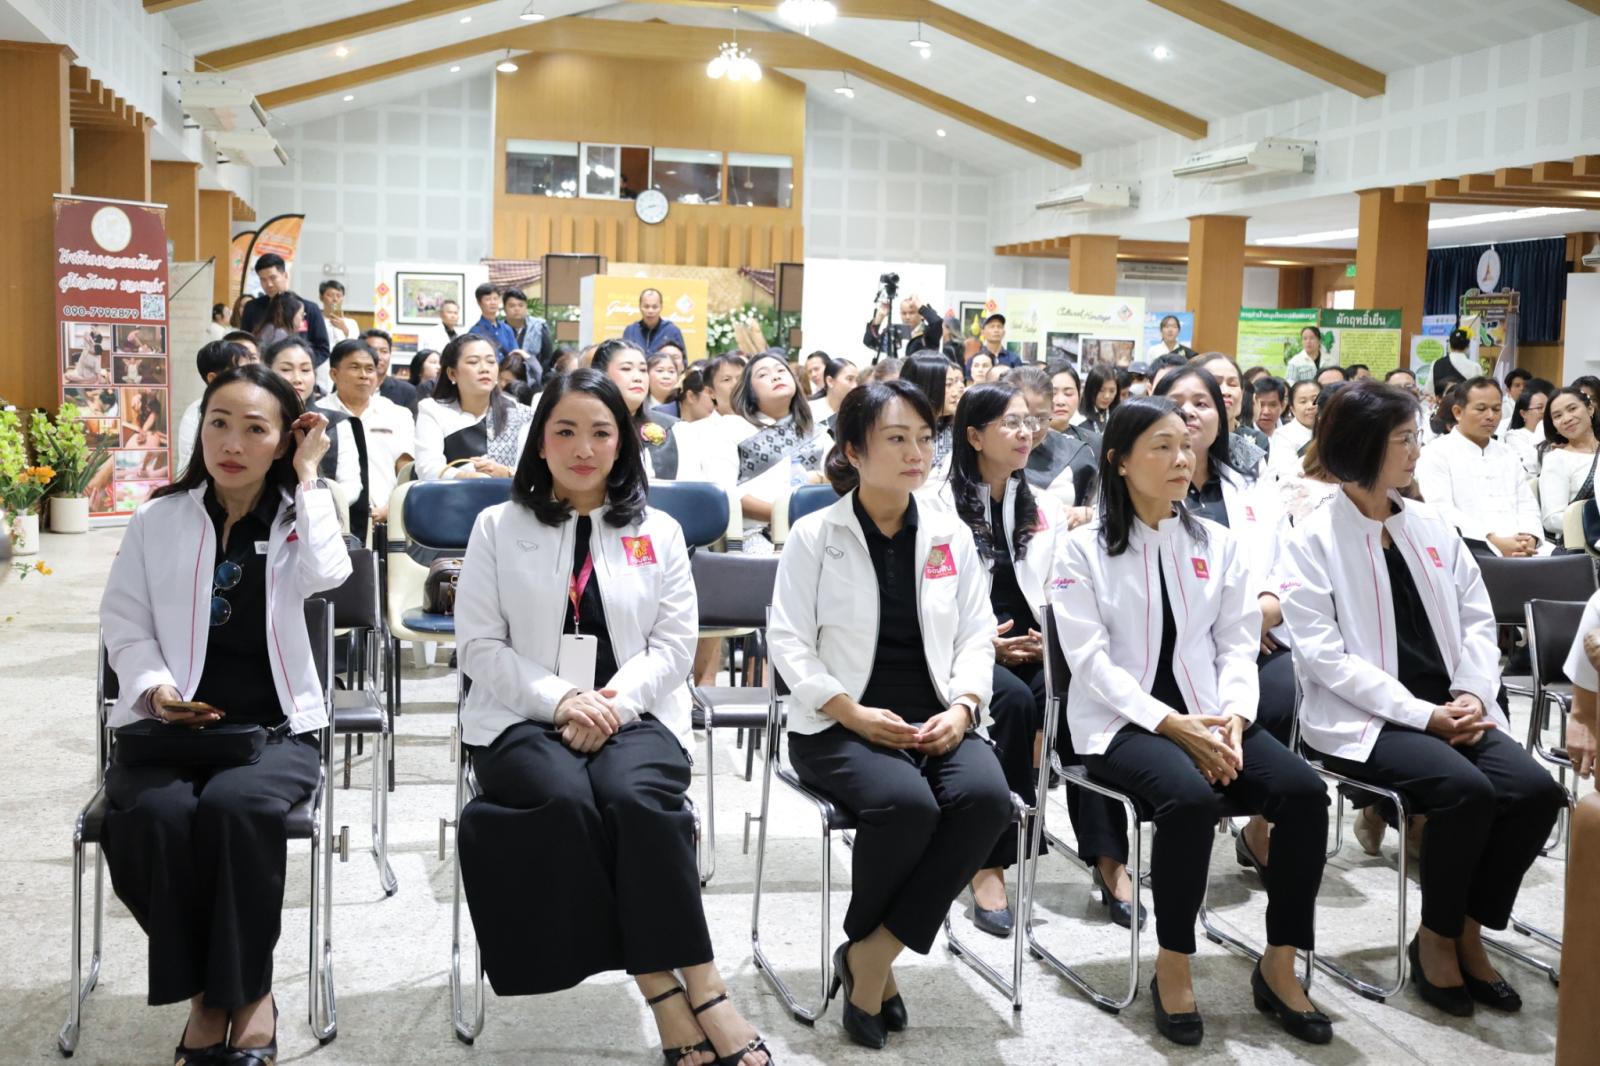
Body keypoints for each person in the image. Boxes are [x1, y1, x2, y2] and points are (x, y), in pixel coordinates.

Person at [453, 369, 772, 1066]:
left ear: (624, 444)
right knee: (564, 800)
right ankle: (668, 988)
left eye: (601, 432)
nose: (583, 448)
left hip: (638, 711)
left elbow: (673, 646)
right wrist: (560, 700)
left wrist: (612, 704)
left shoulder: (660, 530)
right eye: (564, 431)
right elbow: (478, 645)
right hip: (520, 716)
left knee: (634, 799)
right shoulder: (497, 527)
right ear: (539, 442)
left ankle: (702, 984)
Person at [1279, 380, 1566, 1020]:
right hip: (1367, 720)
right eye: (1404, 440)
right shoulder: (1313, 538)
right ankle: (1437, 937)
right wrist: (1422, 714)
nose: (1416, 451)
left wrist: (1471, 693)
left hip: (1454, 706)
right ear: (1362, 447)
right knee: (1466, 793)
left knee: (1536, 793)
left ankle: (1467, 925)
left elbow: (1477, 619)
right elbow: (1326, 658)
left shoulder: (1430, 525)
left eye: (1415, 437)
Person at [1052, 396, 1332, 1047]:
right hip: (1120, 725)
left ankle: (1280, 962)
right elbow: (1089, 663)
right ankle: (1173, 963)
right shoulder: (1081, 550)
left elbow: (1237, 642)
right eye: (1162, 446)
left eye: (1186, 444)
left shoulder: (1217, 543)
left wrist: (1234, 717)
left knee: (1303, 793)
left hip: (1211, 715)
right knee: (1189, 799)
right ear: (1120, 461)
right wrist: (1169, 723)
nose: (1182, 458)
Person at [99, 364, 351, 1066]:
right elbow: (124, 620)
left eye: (255, 429)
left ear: (284, 440)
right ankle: (213, 994)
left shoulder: (299, 515)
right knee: (154, 817)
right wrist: (154, 689)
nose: (232, 443)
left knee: (236, 811)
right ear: (200, 429)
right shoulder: (159, 517)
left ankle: (245, 995)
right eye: (219, 423)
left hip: (273, 732)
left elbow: (330, 575)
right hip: (167, 729)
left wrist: (309, 477)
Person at [768, 380, 1011, 1049]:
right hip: (837, 722)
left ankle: (869, 954)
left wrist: (964, 707)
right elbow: (787, 641)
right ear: (854, 450)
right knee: (907, 806)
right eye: (896, 439)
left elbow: (976, 634)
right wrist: (848, 711)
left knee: (987, 801)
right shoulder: (815, 534)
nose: (916, 454)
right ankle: (874, 962)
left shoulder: (948, 533)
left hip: (936, 716)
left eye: (925, 439)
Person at [946, 383, 1130, 935]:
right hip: (965, 648)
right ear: (974, 436)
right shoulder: (937, 505)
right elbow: (933, 597)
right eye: (1010, 423)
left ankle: (1108, 856)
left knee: (1081, 697)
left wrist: (1051, 640)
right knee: (1012, 701)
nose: (1026, 433)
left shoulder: (1044, 505)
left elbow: (1061, 589)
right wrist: (986, 642)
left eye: (1030, 422)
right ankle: (990, 862)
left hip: (1037, 644)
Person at [707, 352, 832, 544]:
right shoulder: (730, 428)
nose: (775, 377)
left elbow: (842, 481)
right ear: (749, 391)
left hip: (816, 532)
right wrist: (783, 515)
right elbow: (724, 492)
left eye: (781, 370)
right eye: (763, 375)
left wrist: (820, 478)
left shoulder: (816, 432)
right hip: (755, 534)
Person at [1415, 376, 1548, 557]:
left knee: (1574, 566)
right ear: (1458, 412)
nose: (1490, 416)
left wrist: (1530, 538)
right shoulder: (1435, 452)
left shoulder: (1507, 453)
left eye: (1496, 409)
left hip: (1522, 548)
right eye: (1481, 409)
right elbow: (1440, 509)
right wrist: (1492, 541)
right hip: (1468, 549)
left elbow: (1527, 504)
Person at [263, 336, 367, 533]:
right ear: (267, 371)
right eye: (286, 369)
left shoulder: (336, 423)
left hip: (323, 521)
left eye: (305, 370)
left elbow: (351, 485)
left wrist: (315, 505)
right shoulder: (255, 422)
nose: (297, 378)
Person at [317, 339, 415, 523]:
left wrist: (390, 509)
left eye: (370, 369)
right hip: (331, 517)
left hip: (388, 519)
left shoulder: (397, 414)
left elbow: (406, 471)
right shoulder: (318, 414)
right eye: (354, 367)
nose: (364, 375)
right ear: (334, 374)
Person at [414, 334, 535, 481]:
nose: (485, 369)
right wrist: (468, 478)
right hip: (452, 494)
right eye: (473, 362)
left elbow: (535, 474)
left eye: (491, 362)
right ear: (452, 374)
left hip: (509, 494)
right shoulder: (433, 410)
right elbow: (428, 469)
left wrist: (507, 473)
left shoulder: (520, 414)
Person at [1008, 366, 1095, 519]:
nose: (1030, 429)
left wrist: (1087, 514)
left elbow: (1104, 511)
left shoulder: (1077, 456)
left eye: (1041, 419)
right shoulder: (983, 453)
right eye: (1019, 419)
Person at [591, 339, 680, 480]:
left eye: (643, 370)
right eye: (626, 369)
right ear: (601, 375)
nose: (638, 378)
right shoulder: (580, 428)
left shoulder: (674, 429)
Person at [177, 339, 260, 475]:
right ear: (213, 379)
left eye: (249, 370)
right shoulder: (195, 413)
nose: (248, 377)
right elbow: (189, 462)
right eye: (239, 371)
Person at [238, 254, 332, 369]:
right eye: (263, 280)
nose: (269, 284)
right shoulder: (252, 307)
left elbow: (322, 348)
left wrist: (302, 367)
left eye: (273, 278)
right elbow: (244, 343)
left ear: (285, 275)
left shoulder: (309, 308)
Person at [1538, 387, 1600, 540]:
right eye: (1558, 416)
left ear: (1590, 409)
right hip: (1584, 545)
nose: (1567, 419)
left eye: (1572, 409)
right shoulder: (1557, 460)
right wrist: (1591, 522)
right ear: (1554, 426)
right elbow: (1551, 519)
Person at [1194, 353, 1268, 468]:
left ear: (1242, 393)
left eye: (1232, 384)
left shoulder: (1256, 443)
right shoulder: (1184, 439)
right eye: (1216, 383)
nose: (1225, 391)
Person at [901, 353, 963, 487]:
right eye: (948, 384)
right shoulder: (897, 433)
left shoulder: (956, 428)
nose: (956, 392)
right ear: (926, 386)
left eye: (957, 382)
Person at [863, 293, 943, 361]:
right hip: (896, 372)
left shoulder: (928, 333)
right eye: (904, 313)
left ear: (921, 314)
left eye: (911, 313)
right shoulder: (894, 332)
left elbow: (937, 322)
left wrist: (921, 307)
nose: (907, 317)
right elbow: (869, 342)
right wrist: (879, 317)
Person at [1268, 380, 1320, 480]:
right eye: (1303, 402)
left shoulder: (1334, 430)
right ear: (1292, 409)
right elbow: (1289, 474)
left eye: (1315, 400)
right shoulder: (1283, 435)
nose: (1310, 406)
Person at [363, 329, 419, 414]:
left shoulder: (406, 391)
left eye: (384, 351)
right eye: (372, 351)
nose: (378, 357)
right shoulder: (348, 387)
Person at [618, 288, 686, 356]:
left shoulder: (672, 331)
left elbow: (682, 359)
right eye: (646, 306)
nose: (650, 311)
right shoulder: (630, 331)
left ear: (661, 307)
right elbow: (623, 357)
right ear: (640, 307)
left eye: (655, 307)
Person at [1503, 382, 1551, 478]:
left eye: (1548, 407)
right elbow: (1532, 466)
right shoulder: (1514, 436)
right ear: (1523, 414)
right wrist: (1541, 427)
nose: (1545, 412)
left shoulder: (1556, 433)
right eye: (1539, 407)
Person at [501, 287, 553, 372]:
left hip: (534, 376)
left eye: (521, 305)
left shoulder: (539, 327)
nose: (517, 309)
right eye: (512, 306)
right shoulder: (497, 330)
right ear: (504, 309)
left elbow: (547, 358)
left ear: (526, 307)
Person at [468, 283, 516, 358]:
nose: (493, 302)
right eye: (488, 299)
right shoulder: (474, 332)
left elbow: (515, 354)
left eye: (495, 299)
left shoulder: (507, 329)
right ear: (479, 302)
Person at [1430, 328, 1478, 399]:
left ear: (1449, 345)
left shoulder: (1436, 363)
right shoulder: (1475, 367)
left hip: (1442, 403)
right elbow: (1478, 392)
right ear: (1467, 346)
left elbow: (1429, 390)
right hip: (1464, 404)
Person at [318, 280, 360, 345]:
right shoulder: (316, 321)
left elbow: (356, 345)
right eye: (330, 295)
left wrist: (344, 328)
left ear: (343, 299)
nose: (335, 299)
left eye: (339, 296)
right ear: (321, 297)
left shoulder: (351, 323)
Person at [1081, 365, 1119, 433]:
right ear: (1090, 389)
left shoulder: (1120, 415)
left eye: (1112, 391)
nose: (1107, 396)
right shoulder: (1078, 418)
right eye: (1101, 390)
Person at [1498, 368, 1533, 433]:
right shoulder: (1502, 407)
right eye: (1517, 385)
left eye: (1525, 385)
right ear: (1508, 390)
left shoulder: (1534, 405)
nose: (1522, 388)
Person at [1252, 376, 1286, 442]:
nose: (1266, 412)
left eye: (1272, 405)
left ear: (1282, 406)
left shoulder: (1292, 431)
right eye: (1261, 405)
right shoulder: (1242, 434)